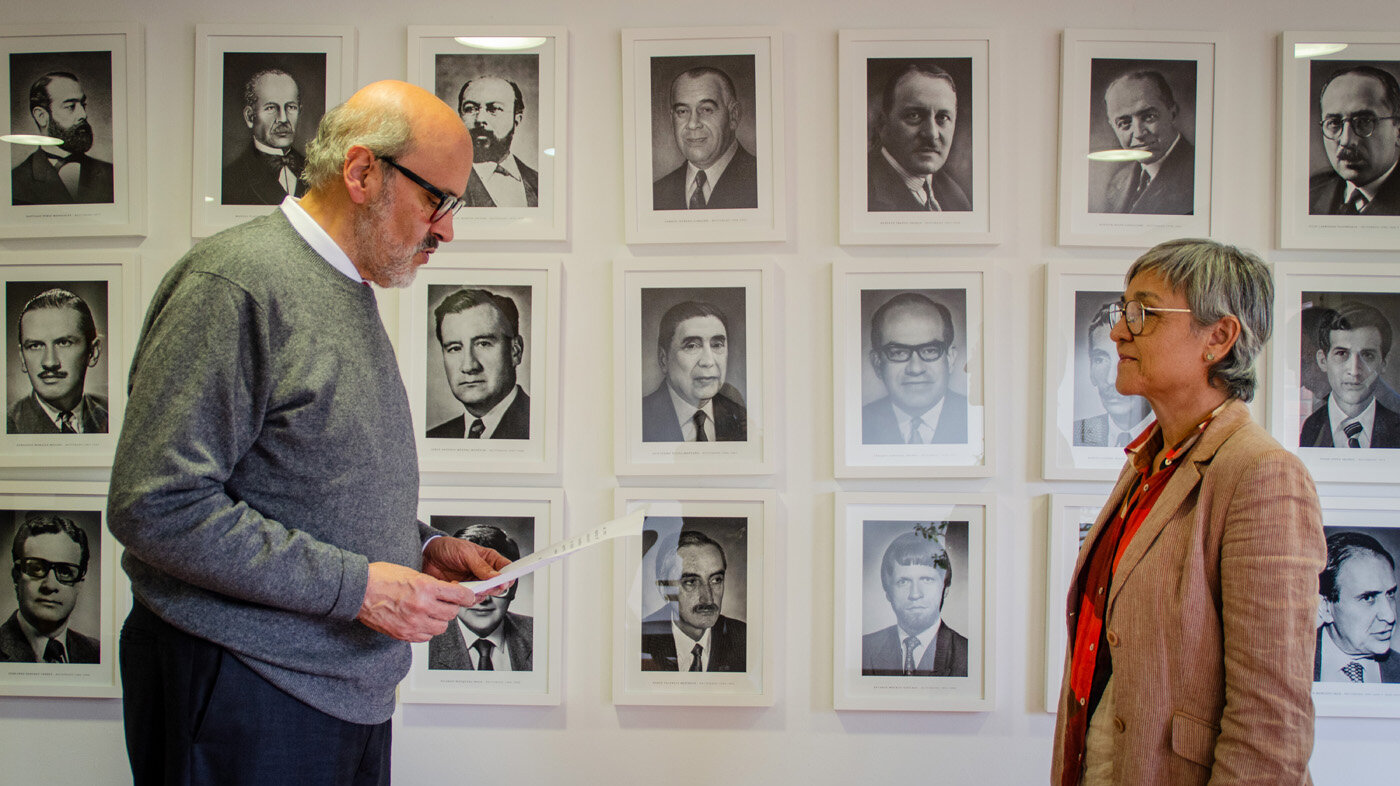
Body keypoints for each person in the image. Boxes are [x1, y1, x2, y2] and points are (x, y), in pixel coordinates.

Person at [107, 80, 513, 786]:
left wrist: (419, 547)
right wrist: (359, 587)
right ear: (362, 173)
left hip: (338, 693)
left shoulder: (344, 289)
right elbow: (156, 504)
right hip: (246, 688)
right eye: (437, 201)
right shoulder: (233, 282)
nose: (447, 229)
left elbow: (304, 481)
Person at [1051, 239, 1325, 786]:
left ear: (1219, 338)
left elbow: (1271, 721)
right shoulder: (1148, 463)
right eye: (1121, 311)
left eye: (1143, 313)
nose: (1117, 331)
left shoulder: (1262, 474)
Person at [862, 292, 966, 445]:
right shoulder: (858, 423)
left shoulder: (977, 417)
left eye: (930, 350)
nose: (916, 369)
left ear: (950, 359)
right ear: (877, 364)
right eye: (898, 352)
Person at [861, 528, 967, 677]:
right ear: (888, 592)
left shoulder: (969, 656)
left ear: (945, 588)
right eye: (903, 581)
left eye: (926, 580)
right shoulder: (863, 649)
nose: (915, 594)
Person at [426, 287, 529, 439]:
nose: (469, 366)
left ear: (515, 351)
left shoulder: (540, 429)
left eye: (483, 344)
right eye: (454, 348)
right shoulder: (433, 438)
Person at [867, 63, 971, 212]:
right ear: (883, 124)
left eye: (942, 117)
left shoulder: (955, 195)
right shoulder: (862, 191)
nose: (931, 134)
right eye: (914, 116)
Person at [652, 66, 757, 210]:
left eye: (706, 110)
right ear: (672, 119)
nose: (693, 124)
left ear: (733, 116)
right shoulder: (656, 194)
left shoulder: (763, 182)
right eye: (682, 111)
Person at [428, 524, 532, 671]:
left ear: (513, 588)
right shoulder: (424, 640)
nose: (483, 600)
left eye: (496, 585)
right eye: (471, 584)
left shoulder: (537, 633)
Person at [641, 300, 747, 442]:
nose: (708, 361)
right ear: (663, 359)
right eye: (691, 346)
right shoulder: (637, 417)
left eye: (717, 345)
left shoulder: (739, 416)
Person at [640, 529, 745, 672]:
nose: (708, 597)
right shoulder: (639, 640)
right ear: (664, 589)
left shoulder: (744, 639)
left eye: (716, 580)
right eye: (691, 582)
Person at [0, 514, 100, 663]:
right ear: (16, 576)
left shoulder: (96, 652)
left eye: (65, 571)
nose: (50, 585)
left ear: (80, 583)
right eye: (36, 568)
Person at [7, 287, 108, 435]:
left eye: (64, 343)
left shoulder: (113, 416)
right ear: (22, 357)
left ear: (93, 352)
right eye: (35, 346)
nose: (49, 362)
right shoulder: (7, 427)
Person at [1300, 302, 1400, 448]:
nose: (1354, 371)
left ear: (1383, 363)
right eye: (1341, 353)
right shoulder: (1310, 429)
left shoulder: (1396, 427)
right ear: (1323, 361)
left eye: (1367, 355)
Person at [1093, 70, 1194, 215]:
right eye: (1124, 123)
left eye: (1149, 116)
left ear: (1172, 113)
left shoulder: (1199, 175)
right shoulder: (1119, 181)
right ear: (1113, 126)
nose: (1139, 133)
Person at [11, 71, 114, 205]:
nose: (83, 114)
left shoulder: (111, 174)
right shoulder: (15, 182)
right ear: (41, 116)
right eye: (70, 106)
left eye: (83, 105)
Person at [1309, 66, 1400, 216]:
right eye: (1334, 123)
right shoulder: (1311, 192)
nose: (1346, 140)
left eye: (1364, 122)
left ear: (1397, 130)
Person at [1315, 531, 1399, 683]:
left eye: (1390, 594)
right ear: (1326, 608)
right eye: (1368, 597)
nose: (1390, 616)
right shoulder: (1280, 666)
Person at [222, 69, 309, 205]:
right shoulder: (230, 180)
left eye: (291, 107)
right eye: (271, 108)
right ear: (250, 117)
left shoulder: (315, 172)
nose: (283, 119)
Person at [1074, 301, 1152, 447]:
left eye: (1124, 359)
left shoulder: (1172, 437)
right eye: (1100, 360)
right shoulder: (1077, 433)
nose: (1111, 380)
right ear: (1090, 371)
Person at [458, 76, 538, 208]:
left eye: (494, 109)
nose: (480, 119)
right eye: (470, 109)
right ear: (460, 116)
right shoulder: (442, 182)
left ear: (516, 119)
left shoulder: (540, 183)